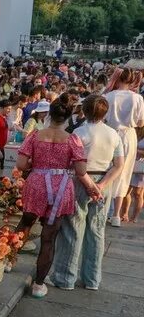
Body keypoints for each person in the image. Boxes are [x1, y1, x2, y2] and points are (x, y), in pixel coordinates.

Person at [12, 95, 99, 299]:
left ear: (49, 114)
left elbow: (21, 165)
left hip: (36, 182)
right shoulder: (72, 139)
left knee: (25, 222)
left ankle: (8, 259)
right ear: (68, 117)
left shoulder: (34, 135)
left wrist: (37, 166)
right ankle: (39, 284)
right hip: (60, 187)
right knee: (49, 237)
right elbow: (80, 169)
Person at [51, 94, 124, 292]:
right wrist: (102, 185)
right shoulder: (114, 134)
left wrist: (90, 184)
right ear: (105, 112)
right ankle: (92, 279)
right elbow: (119, 165)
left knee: (73, 229)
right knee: (97, 231)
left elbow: (74, 164)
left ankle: (65, 277)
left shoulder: (78, 133)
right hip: (104, 182)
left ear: (84, 110)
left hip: (80, 181)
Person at [103, 67, 144, 226]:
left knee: (109, 169)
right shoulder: (137, 98)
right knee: (124, 172)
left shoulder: (108, 96)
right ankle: (117, 215)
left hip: (111, 132)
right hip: (128, 134)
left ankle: (106, 209)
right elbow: (141, 122)